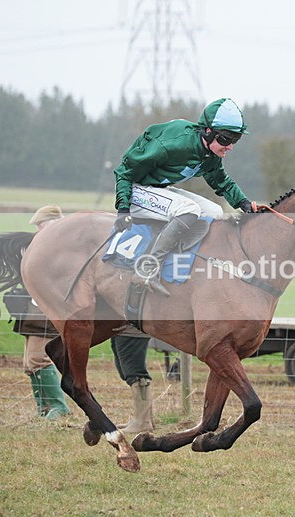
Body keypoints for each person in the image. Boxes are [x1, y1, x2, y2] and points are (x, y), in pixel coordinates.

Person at [113, 97, 254, 296]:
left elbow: (220, 180)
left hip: (158, 190)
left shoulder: (209, 154)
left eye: (235, 140)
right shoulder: (173, 144)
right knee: (189, 209)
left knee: (215, 211)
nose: (230, 146)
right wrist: (123, 208)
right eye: (226, 139)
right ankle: (147, 269)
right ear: (207, 131)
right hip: (135, 190)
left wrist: (244, 203)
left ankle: (177, 254)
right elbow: (124, 171)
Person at [8, 205, 71, 420]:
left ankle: (58, 407)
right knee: (29, 363)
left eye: (40, 225)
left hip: (45, 313)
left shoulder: (60, 247)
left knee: (39, 358)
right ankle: (44, 409)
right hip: (34, 312)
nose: (37, 229)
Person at [110, 327, 154, 434]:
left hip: (131, 329)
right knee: (127, 372)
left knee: (135, 373)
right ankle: (144, 418)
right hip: (121, 329)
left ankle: (142, 422)